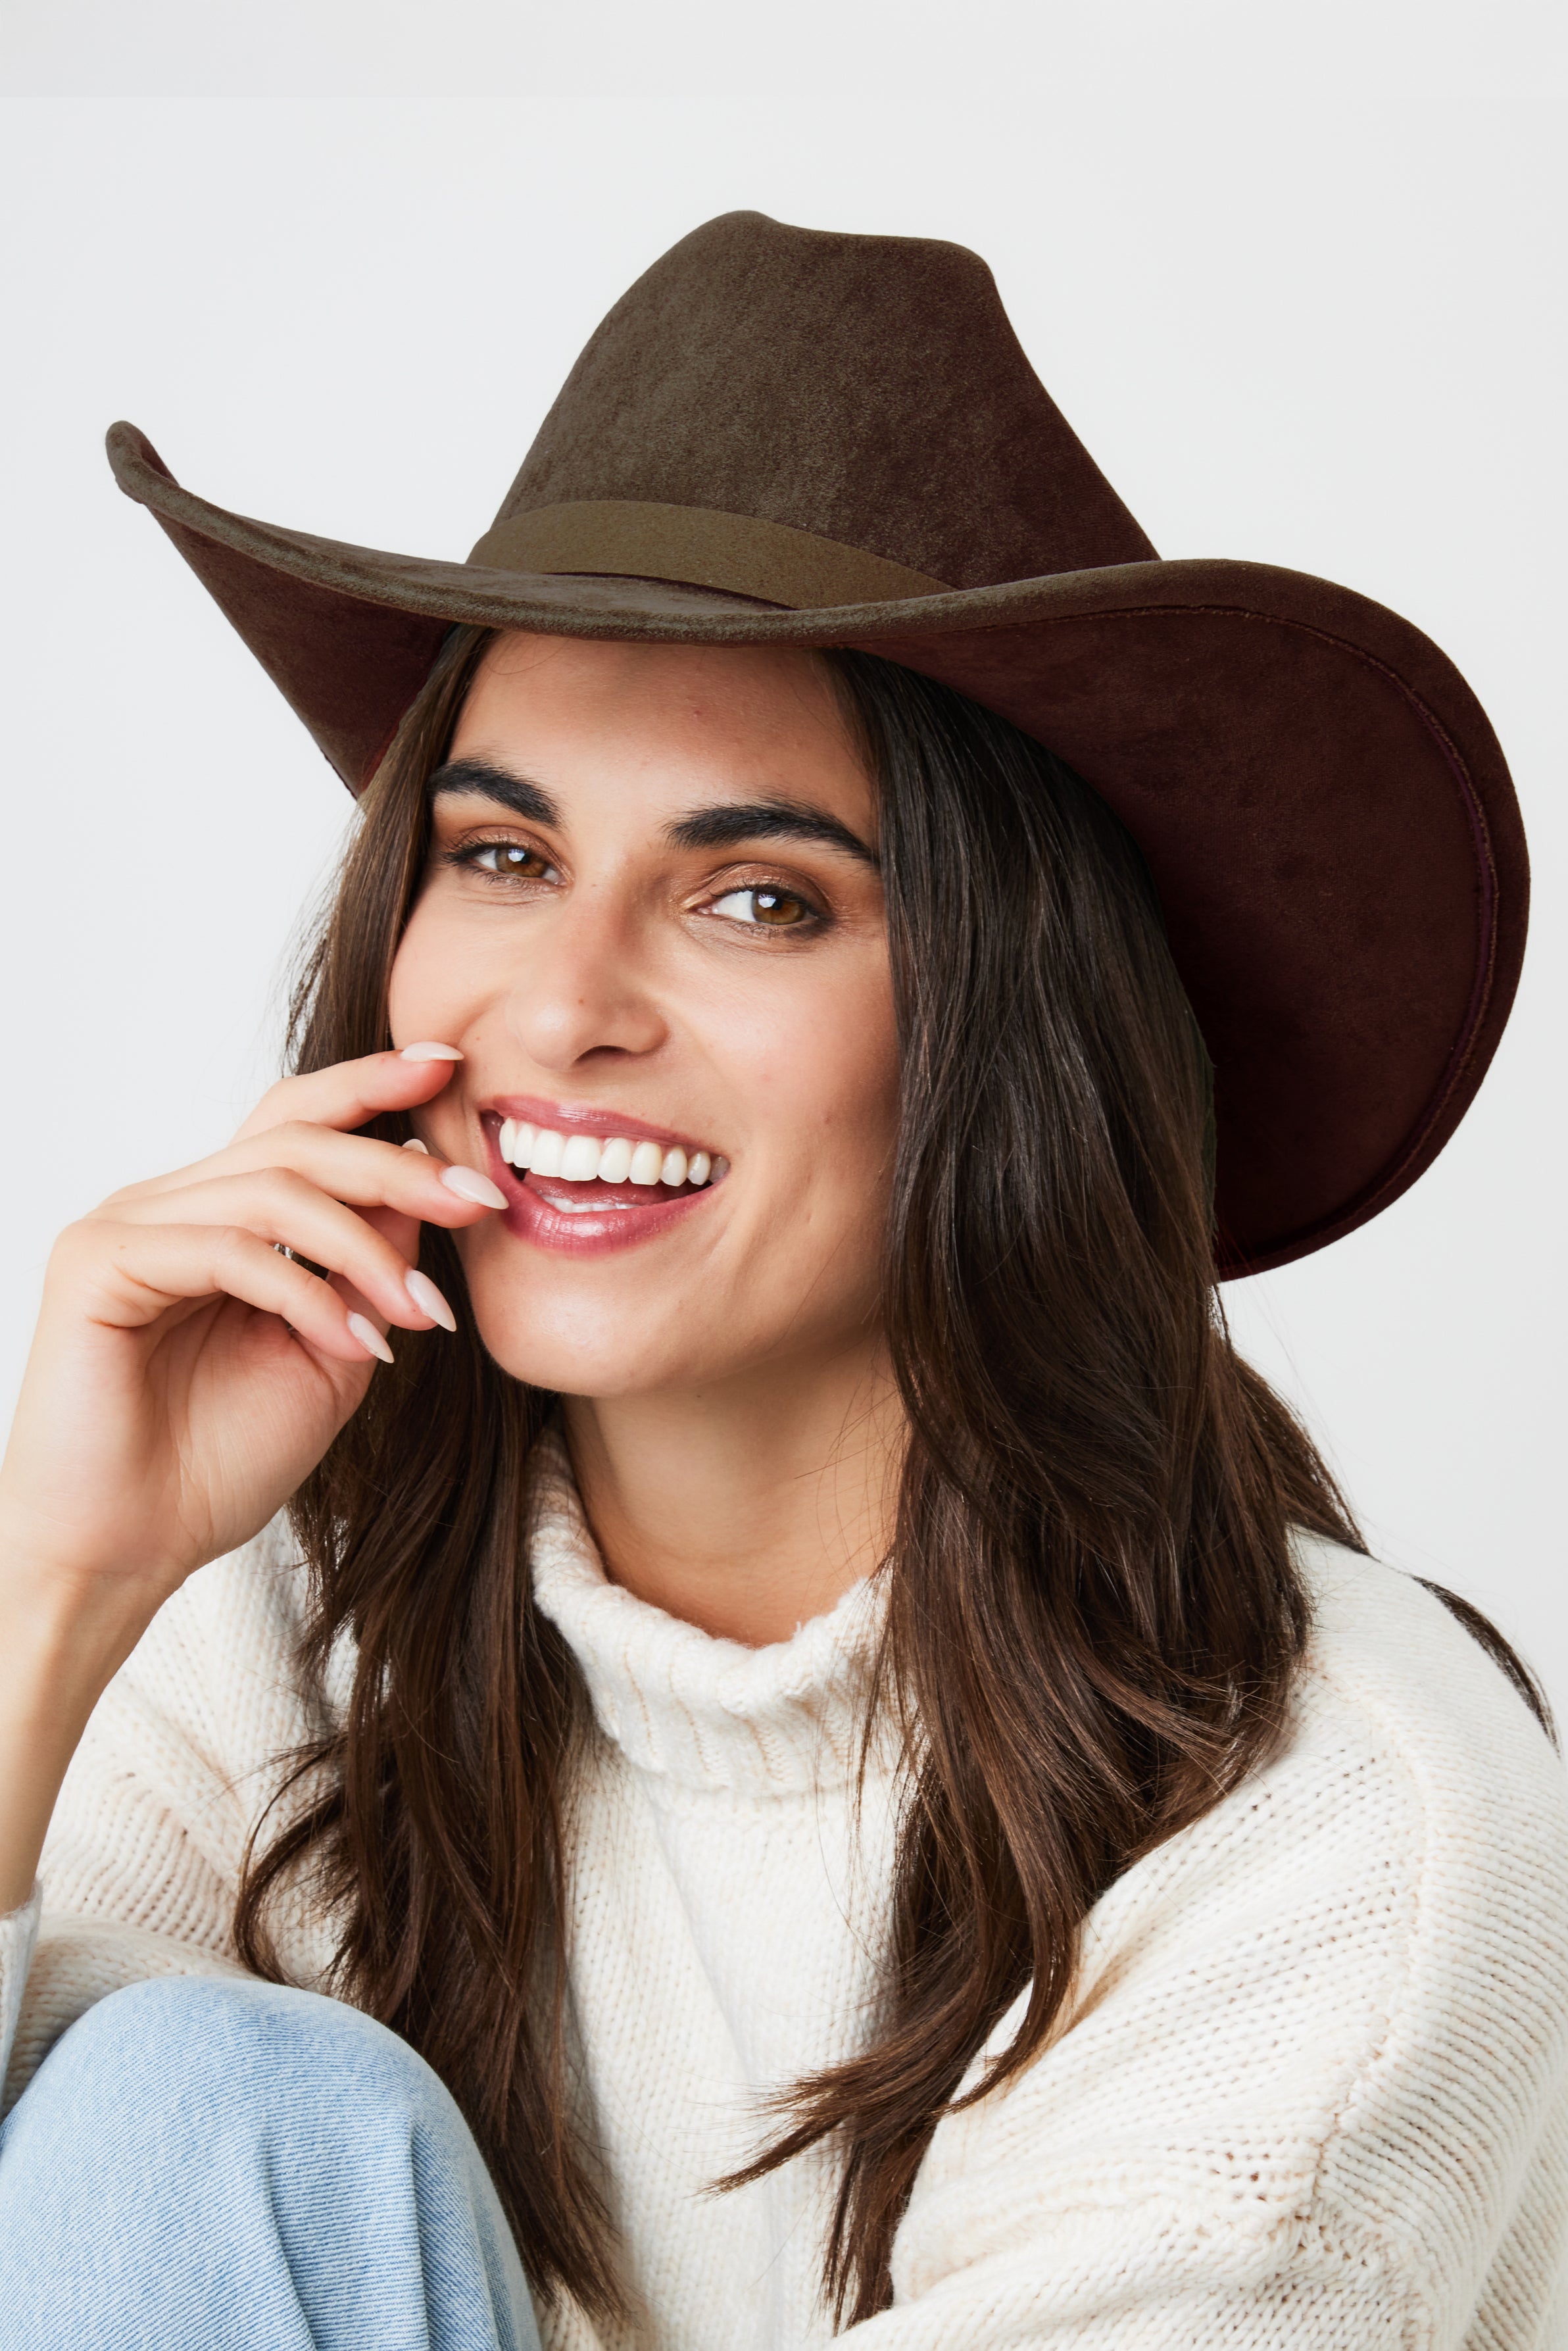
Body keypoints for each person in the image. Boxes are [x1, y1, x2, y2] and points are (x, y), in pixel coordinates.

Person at [0, 212, 1563, 2350]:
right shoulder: (275, 1637)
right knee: (187, 2118)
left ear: (1007, 1026)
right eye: (503, 855)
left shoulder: (1340, 1827)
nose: (566, 1010)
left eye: (758, 898)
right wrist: (53, 1589)